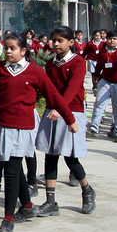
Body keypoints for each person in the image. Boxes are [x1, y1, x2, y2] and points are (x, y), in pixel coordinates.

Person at [0, 33, 63, 232]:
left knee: (13, 171)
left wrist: (70, 119)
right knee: (11, 167)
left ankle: (8, 219)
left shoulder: (35, 71)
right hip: (2, 125)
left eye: (13, 48)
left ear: (23, 51)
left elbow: (54, 96)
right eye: (6, 47)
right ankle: (26, 205)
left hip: (22, 127)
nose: (8, 51)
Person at [33, 26, 96, 217]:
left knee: (70, 156)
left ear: (71, 42)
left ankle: (87, 190)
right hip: (53, 112)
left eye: (60, 40)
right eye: (53, 40)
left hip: (71, 111)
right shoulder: (51, 63)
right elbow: (48, 88)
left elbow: (72, 88)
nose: (56, 43)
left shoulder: (78, 62)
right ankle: (51, 202)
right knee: (50, 155)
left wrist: (61, 110)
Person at [88, 30, 117, 139]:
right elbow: (99, 65)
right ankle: (94, 127)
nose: (111, 41)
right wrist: (96, 76)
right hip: (105, 80)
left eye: (114, 39)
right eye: (109, 39)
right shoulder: (103, 51)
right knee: (99, 102)